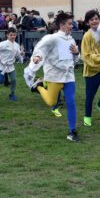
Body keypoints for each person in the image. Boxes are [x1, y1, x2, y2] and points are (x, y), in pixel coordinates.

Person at [29, 12, 81, 142]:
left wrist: (76, 53)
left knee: (71, 101)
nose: (72, 26)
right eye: (70, 24)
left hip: (69, 75)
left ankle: (72, 131)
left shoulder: (71, 40)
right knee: (52, 102)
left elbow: (75, 60)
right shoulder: (52, 38)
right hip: (54, 75)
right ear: (62, 25)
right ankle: (40, 86)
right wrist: (37, 57)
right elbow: (40, 49)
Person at [0, 28, 23, 101]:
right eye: (11, 35)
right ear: (7, 35)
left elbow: (17, 55)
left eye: (14, 35)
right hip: (2, 65)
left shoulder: (17, 45)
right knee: (0, 81)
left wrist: (21, 55)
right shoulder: (3, 44)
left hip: (10, 66)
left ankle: (12, 94)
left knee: (13, 80)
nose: (13, 36)